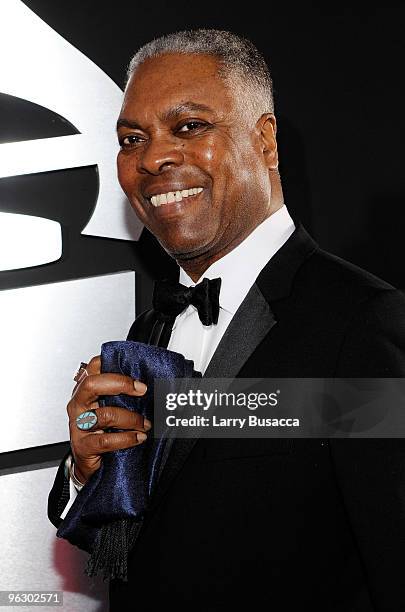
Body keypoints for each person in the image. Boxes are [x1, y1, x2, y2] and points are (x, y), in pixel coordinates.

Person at [48, 29, 405, 611]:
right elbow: (139, 544)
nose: (153, 157)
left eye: (189, 127)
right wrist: (86, 471)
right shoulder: (148, 333)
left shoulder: (362, 322)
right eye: (132, 138)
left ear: (264, 139)